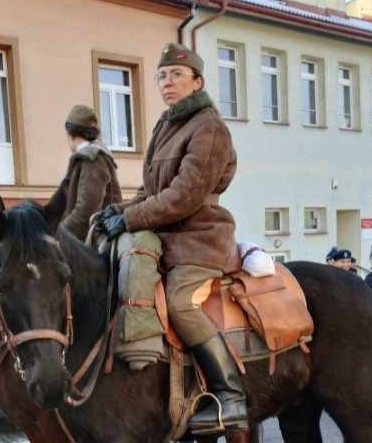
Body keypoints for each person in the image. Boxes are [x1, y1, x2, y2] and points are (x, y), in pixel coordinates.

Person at [97, 43, 246, 433]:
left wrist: (130, 219)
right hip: (165, 239)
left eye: (176, 75)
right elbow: (151, 191)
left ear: (197, 81)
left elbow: (185, 195)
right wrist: (118, 211)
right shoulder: (166, 125)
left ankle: (230, 396)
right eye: (162, 76)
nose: (167, 82)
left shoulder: (209, 127)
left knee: (180, 303)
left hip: (200, 241)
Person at [55, 105, 122, 241]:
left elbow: (86, 212)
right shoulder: (88, 157)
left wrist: (58, 236)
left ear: (70, 133)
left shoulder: (92, 159)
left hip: (97, 240)